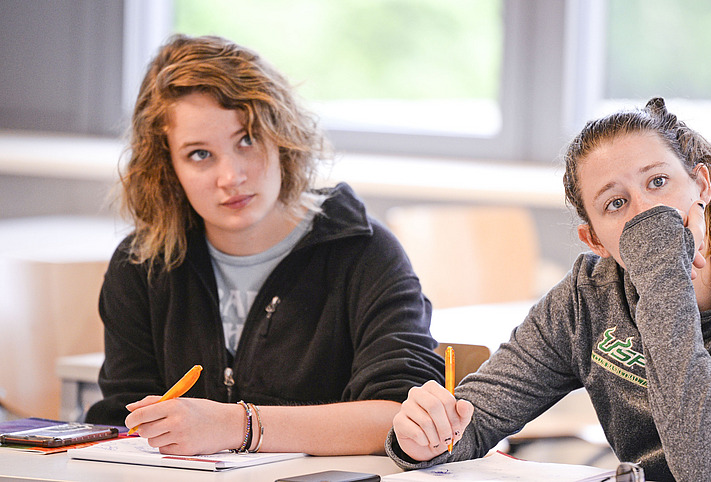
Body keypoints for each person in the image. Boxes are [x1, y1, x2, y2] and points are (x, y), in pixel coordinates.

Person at [386, 98, 711, 481]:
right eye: (616, 203)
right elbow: (475, 420)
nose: (647, 211)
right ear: (596, 241)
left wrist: (664, 282)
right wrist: (422, 437)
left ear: (701, 185)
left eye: (659, 181)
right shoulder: (590, 296)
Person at [84, 34, 444, 456]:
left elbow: (402, 418)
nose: (231, 176)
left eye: (247, 140)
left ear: (282, 136)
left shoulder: (363, 251)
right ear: (167, 168)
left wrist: (239, 426)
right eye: (200, 155)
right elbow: (122, 421)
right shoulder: (142, 263)